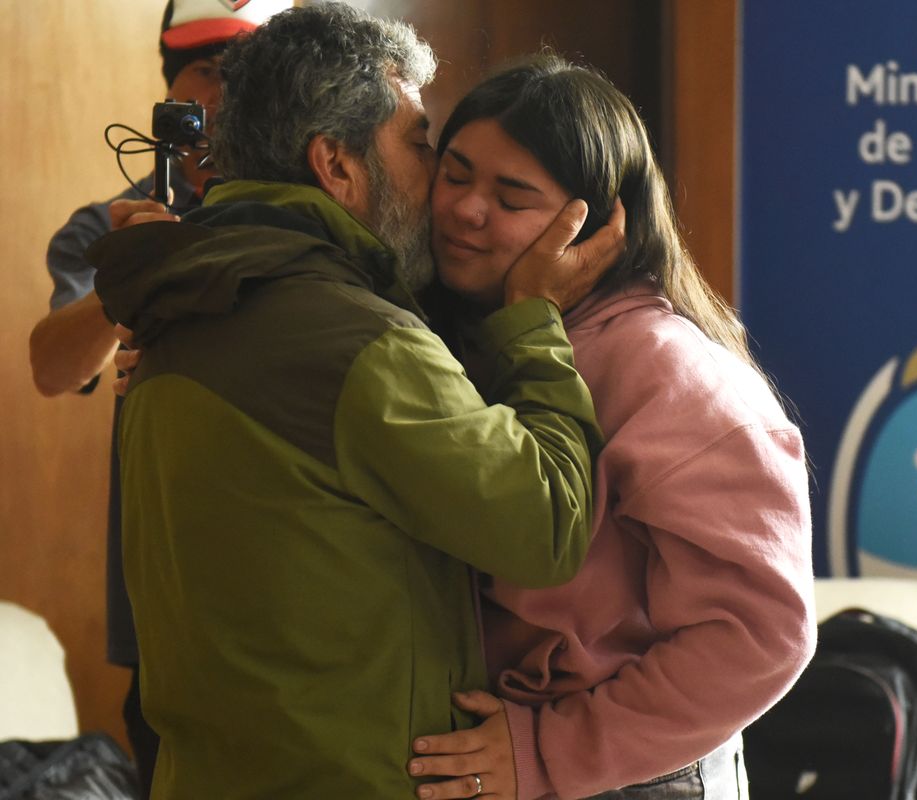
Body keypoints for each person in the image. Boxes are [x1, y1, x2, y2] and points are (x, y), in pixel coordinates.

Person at [87, 5, 623, 799]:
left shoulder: (175, 311)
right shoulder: (355, 341)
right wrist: (533, 319)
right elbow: (546, 524)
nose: (437, 175)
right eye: (415, 143)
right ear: (336, 165)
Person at [405, 55, 816, 800]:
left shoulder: (662, 368)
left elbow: (762, 636)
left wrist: (552, 751)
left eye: (512, 196)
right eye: (456, 173)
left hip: (623, 777)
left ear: (592, 227)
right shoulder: (453, 336)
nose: (466, 210)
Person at [26, 1, 289, 794]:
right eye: (204, 69)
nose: (219, 93)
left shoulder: (302, 215)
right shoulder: (108, 227)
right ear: (169, 90)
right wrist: (130, 276)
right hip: (163, 604)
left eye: (241, 74)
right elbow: (55, 367)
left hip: (288, 587)